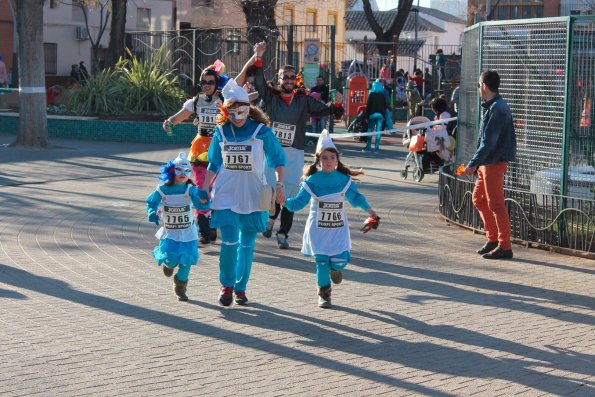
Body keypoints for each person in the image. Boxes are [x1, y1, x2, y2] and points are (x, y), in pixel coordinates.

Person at [241, 41, 339, 250]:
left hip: (294, 154)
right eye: (284, 77)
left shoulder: (303, 100)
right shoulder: (270, 97)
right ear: (278, 80)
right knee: (271, 191)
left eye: (291, 77)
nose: (288, 80)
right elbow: (258, 80)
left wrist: (337, 104)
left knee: (291, 194)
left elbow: (324, 109)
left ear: (296, 80)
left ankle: (283, 232)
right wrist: (258, 56)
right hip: (271, 153)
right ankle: (270, 218)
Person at [201, 79, 286, 306]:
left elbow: (278, 160)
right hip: (226, 194)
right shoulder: (221, 132)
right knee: (229, 243)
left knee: (247, 246)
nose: (237, 116)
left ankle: (240, 288)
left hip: (253, 195)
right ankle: (226, 286)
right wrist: (205, 187)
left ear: (249, 109)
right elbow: (213, 164)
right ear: (225, 112)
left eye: (241, 111)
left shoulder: (261, 131)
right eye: (232, 112)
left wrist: (280, 185)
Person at [283, 131, 378, 308]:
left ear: (337, 160)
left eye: (331, 157)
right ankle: (324, 294)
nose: (328, 161)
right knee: (321, 262)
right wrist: (283, 201)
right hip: (317, 230)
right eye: (324, 158)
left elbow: (356, 198)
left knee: (339, 261)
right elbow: (297, 204)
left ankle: (336, 269)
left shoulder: (344, 180)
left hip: (338, 229)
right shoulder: (312, 180)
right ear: (319, 160)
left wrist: (371, 211)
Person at [163, 60, 229, 245]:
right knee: (202, 188)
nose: (207, 85)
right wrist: (169, 122)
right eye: (204, 82)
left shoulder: (225, 100)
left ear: (217, 83)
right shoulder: (196, 102)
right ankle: (203, 231)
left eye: (211, 82)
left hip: (220, 150)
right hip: (200, 151)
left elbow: (245, 102)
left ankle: (212, 225)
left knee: (217, 190)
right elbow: (179, 116)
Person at [464, 70, 516, 260]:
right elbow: (486, 141)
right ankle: (493, 239)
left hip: (493, 162)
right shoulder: (493, 106)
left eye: (479, 85)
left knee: (496, 204)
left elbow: (489, 142)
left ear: (484, 86)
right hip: (488, 162)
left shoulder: (497, 108)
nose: (478, 88)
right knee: (478, 199)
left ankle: (505, 246)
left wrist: (472, 163)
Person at [145, 152, 211, 301]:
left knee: (187, 260)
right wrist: (151, 212)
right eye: (179, 170)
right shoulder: (162, 189)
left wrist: (205, 202)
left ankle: (180, 286)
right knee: (171, 258)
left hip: (188, 232)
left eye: (187, 171)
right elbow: (151, 203)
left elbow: (201, 204)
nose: (183, 174)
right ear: (172, 171)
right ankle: (169, 265)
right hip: (170, 233)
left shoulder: (190, 189)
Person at [363, 80, 388, 153]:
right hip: (380, 115)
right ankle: (376, 148)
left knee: (370, 131)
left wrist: (367, 116)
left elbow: (368, 106)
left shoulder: (371, 94)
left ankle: (368, 147)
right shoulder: (382, 95)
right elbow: (385, 106)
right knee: (378, 132)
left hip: (372, 115)